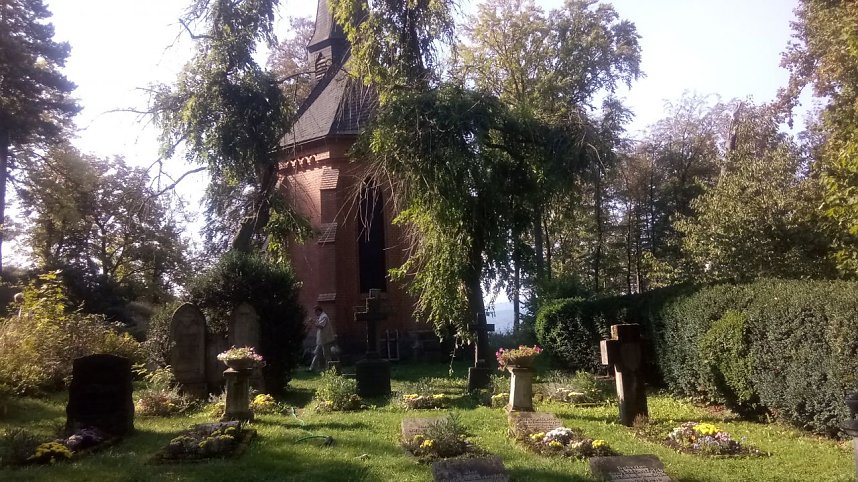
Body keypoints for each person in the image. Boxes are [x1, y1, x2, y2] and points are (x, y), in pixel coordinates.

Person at [309, 305, 336, 372]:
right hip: (321, 340)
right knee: (317, 353)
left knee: (326, 355)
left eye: (316, 312)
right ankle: (312, 368)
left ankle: (330, 369)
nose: (315, 314)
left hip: (325, 339)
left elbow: (321, 326)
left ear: (318, 311)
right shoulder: (321, 317)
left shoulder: (324, 317)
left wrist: (313, 322)